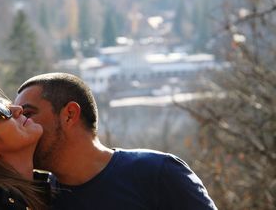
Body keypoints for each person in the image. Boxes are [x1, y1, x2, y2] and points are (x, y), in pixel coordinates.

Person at [15, 72, 218, 210]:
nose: (21, 126)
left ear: (69, 114)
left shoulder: (157, 173)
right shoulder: (39, 198)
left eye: (28, 114)